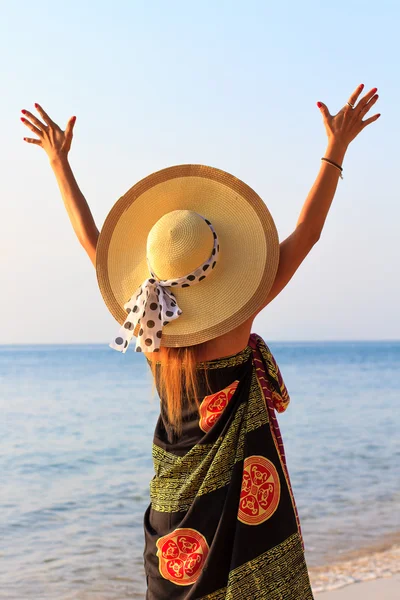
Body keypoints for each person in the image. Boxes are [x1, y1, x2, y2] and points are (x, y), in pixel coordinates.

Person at [20, 84, 380, 599]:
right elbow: (308, 231)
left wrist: (59, 164)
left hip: (173, 519)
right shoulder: (240, 317)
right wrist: (336, 148)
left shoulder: (149, 328)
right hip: (234, 510)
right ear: (222, 265)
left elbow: (91, 241)